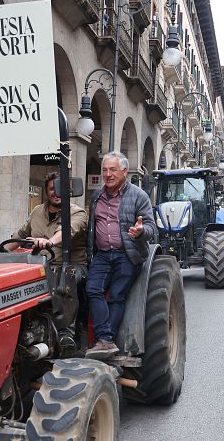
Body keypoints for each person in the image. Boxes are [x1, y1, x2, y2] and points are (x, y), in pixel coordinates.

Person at [84, 152, 156, 359]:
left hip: (128, 254)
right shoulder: (96, 195)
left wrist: (140, 232)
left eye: (112, 170)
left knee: (117, 296)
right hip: (102, 254)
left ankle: (105, 340)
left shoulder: (138, 195)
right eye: (105, 170)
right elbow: (91, 225)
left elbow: (151, 227)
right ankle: (105, 340)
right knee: (92, 289)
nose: (108, 174)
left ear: (124, 171)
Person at [7, 171, 88, 266]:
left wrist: (49, 242)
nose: (56, 192)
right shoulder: (37, 211)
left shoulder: (78, 213)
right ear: (46, 192)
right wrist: (1, 252)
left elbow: (67, 230)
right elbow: (21, 235)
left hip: (69, 268)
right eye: (52, 189)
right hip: (40, 266)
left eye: (59, 188)